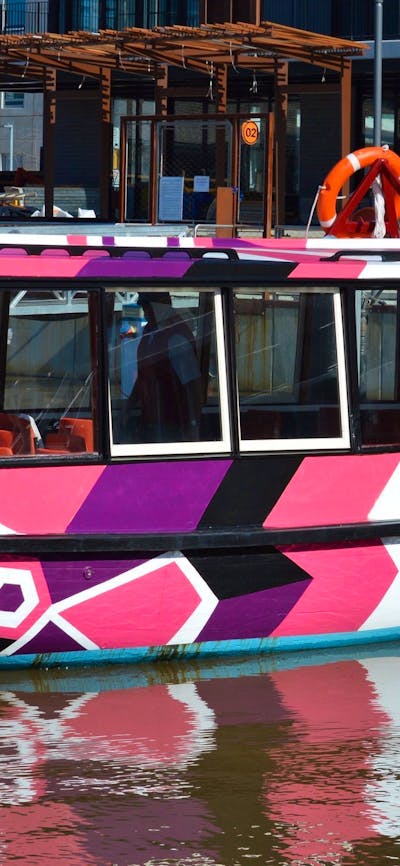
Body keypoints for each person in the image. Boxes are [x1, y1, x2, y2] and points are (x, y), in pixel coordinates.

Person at [125, 292, 202, 442]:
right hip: (151, 419)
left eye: (147, 308)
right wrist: (127, 408)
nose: (145, 313)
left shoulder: (176, 336)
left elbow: (192, 385)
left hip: (172, 425)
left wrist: (193, 426)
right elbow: (144, 376)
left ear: (159, 306)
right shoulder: (149, 331)